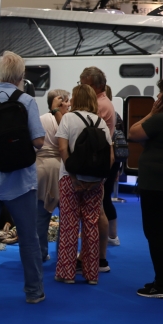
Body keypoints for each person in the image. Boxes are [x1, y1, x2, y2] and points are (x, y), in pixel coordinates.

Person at [0, 52, 45, 311]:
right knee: (29, 237)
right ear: (21, 76)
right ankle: (34, 291)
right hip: (20, 181)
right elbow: (38, 141)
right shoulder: (27, 101)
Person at [55, 84, 114, 285]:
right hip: (95, 182)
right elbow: (110, 157)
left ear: (76, 99)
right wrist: (99, 180)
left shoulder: (68, 119)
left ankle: (67, 273)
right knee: (91, 225)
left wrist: (73, 177)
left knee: (69, 225)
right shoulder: (101, 122)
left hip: (69, 180)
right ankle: (91, 274)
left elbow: (63, 150)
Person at [128, 78, 163, 298]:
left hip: (156, 186)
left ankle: (162, 284)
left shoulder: (161, 119)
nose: (157, 97)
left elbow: (133, 133)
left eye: (160, 93)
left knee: (155, 233)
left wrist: (151, 113)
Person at [79, 67, 115, 272]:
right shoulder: (103, 103)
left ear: (95, 85)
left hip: (94, 164)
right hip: (98, 163)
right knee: (97, 211)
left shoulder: (99, 106)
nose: (81, 88)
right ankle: (97, 258)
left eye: (84, 84)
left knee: (97, 212)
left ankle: (97, 259)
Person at [36, 89, 69, 262]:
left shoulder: (40, 119)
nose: (69, 104)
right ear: (60, 102)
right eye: (67, 101)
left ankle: (40, 253)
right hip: (62, 170)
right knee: (67, 217)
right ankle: (63, 255)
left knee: (40, 217)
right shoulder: (66, 121)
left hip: (40, 169)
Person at [103, 84, 122, 246]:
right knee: (106, 197)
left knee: (103, 199)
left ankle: (110, 235)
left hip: (105, 160)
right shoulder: (116, 115)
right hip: (115, 160)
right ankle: (112, 234)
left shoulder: (103, 114)